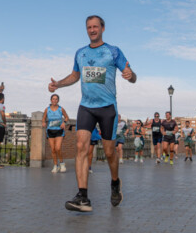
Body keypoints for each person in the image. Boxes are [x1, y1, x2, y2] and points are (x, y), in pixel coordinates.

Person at [48, 15, 136, 212]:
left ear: (102, 28)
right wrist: (58, 84)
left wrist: (130, 76)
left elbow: (132, 75)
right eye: (89, 27)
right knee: (81, 146)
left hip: (107, 108)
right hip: (86, 106)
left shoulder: (113, 51)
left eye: (95, 26)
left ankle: (115, 182)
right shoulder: (80, 53)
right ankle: (83, 197)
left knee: (109, 152)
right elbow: (75, 75)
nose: (92, 30)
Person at [42, 94, 70, 173]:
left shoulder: (61, 109)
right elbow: (43, 118)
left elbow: (67, 117)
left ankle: (62, 163)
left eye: (56, 99)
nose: (54, 100)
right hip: (50, 131)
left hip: (59, 130)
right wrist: (43, 122)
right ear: (51, 100)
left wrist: (64, 122)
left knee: (58, 148)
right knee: (53, 149)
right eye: (53, 99)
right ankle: (55, 165)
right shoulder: (47, 109)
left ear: (58, 100)